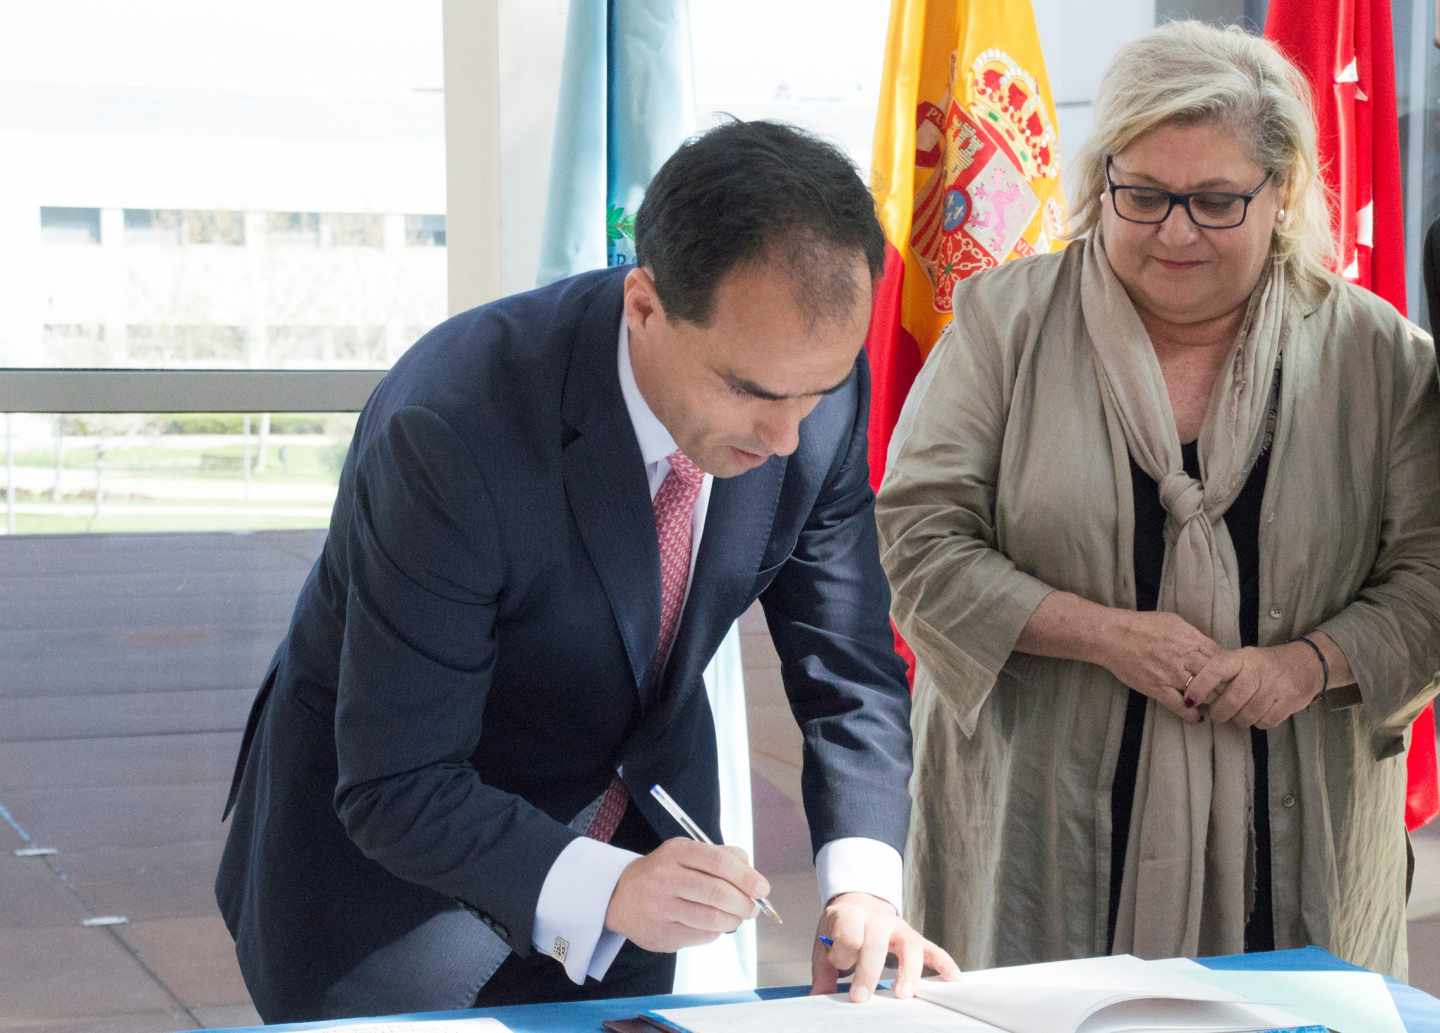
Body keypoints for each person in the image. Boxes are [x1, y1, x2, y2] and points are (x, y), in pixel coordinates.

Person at [216, 119, 957, 1022]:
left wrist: (863, 887)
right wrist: (606, 887)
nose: (787, 439)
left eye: (818, 390)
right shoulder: (452, 427)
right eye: (754, 394)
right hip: (394, 885)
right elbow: (396, 780)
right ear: (643, 306)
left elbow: (848, 669)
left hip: (635, 860)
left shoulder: (813, 392)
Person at [876, 21, 1440, 979]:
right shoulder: (1005, 324)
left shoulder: (1376, 356)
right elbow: (919, 541)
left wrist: (1309, 665)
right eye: (1141, 196)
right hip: (1036, 835)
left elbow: (1430, 577)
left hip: (1301, 839)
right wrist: (1102, 634)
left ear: (1285, 193)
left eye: (1217, 201)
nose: (1175, 231)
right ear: (1102, 180)